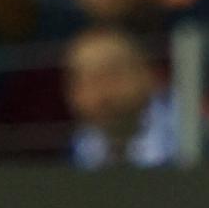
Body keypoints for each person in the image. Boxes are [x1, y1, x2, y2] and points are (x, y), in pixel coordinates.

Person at [64, 23, 175, 169]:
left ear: (147, 74)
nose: (99, 96)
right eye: (84, 81)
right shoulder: (76, 152)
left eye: (112, 75)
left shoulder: (197, 137)